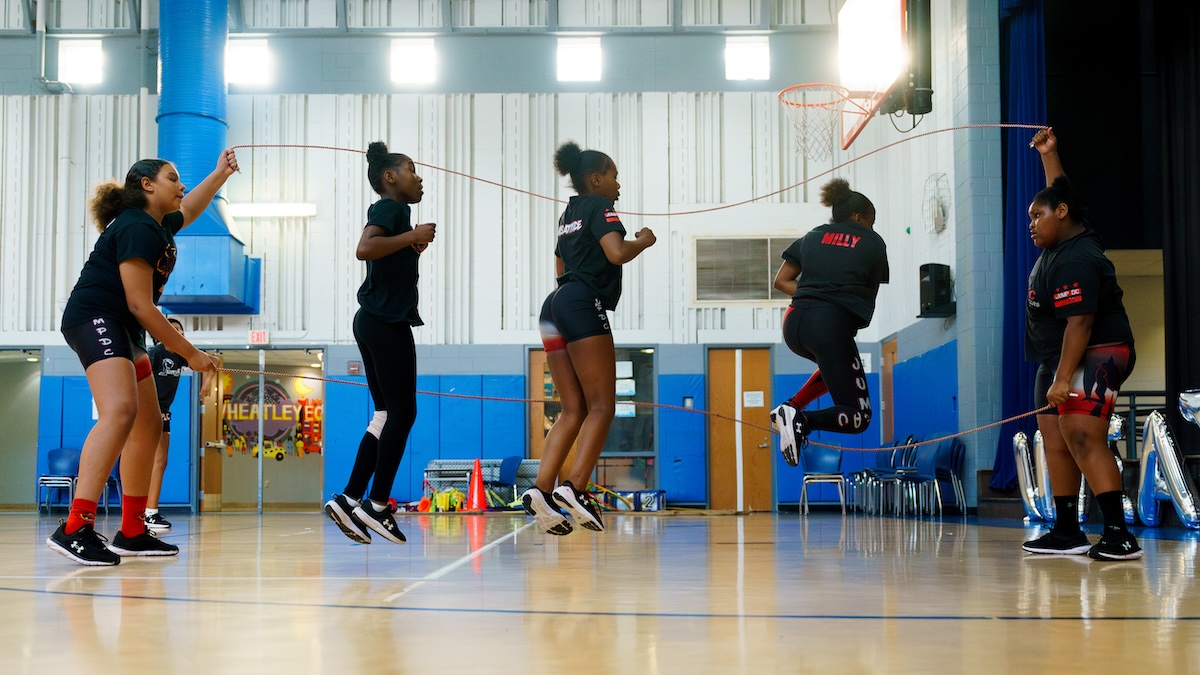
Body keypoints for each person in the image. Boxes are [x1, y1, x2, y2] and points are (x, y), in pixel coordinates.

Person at [48, 151, 234, 565]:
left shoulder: (158, 224)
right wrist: (191, 354)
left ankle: (132, 530)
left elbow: (191, 207)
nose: (181, 186)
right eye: (173, 178)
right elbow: (141, 306)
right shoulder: (136, 228)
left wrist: (219, 173)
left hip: (123, 328)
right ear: (147, 184)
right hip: (96, 317)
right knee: (121, 410)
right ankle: (76, 526)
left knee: (148, 423)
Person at [521, 141, 656, 535]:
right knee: (602, 406)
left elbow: (560, 264)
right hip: (581, 302)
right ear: (596, 179)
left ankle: (542, 489)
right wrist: (643, 241)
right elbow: (615, 253)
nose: (618, 183)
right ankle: (574, 489)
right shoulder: (600, 207)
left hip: (553, 307)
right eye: (614, 175)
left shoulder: (568, 214)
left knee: (572, 408)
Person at [1021, 127, 1141, 560]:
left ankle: (1118, 534)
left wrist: (1063, 377)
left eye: (1038, 216)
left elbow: (1081, 325)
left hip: (1096, 349)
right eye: (1030, 217)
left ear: (1063, 214)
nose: (1032, 223)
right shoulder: (1060, 243)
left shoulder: (1076, 256)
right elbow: (1060, 190)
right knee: (1054, 437)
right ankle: (1067, 530)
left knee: (1081, 433)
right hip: (1054, 357)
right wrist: (1049, 155)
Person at [324, 141, 434, 545]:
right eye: (411, 169)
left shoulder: (397, 217)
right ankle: (376, 505)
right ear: (390, 177)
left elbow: (381, 255)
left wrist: (411, 242)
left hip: (372, 321)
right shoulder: (392, 208)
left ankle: (350, 496)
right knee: (403, 414)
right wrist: (411, 237)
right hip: (385, 323)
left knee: (387, 414)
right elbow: (364, 249)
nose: (418, 177)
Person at [769, 178, 890, 463]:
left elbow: (781, 281)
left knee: (836, 368)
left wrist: (814, 294)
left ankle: (791, 407)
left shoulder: (811, 236)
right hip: (829, 326)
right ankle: (802, 421)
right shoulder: (872, 242)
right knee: (859, 416)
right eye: (871, 221)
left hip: (794, 323)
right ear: (859, 217)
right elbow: (869, 290)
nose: (872, 228)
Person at [144, 317, 187, 532]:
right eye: (173, 329)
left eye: (181, 330)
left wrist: (206, 385)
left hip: (164, 413)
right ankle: (143, 513)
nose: (179, 333)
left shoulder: (180, 356)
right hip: (148, 411)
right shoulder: (155, 353)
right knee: (148, 460)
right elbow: (141, 382)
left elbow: (214, 362)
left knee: (161, 461)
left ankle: (150, 512)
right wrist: (153, 409)